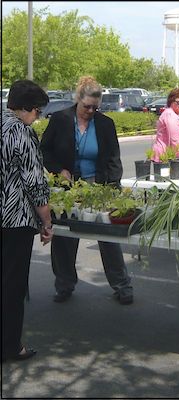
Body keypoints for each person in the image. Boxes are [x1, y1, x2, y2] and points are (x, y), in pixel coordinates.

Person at [40, 76, 133, 305]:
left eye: (95, 107)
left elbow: (113, 159)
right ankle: (64, 285)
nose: (90, 111)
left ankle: (122, 286)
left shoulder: (105, 124)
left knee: (107, 237)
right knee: (64, 238)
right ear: (77, 100)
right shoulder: (60, 120)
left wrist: (112, 189)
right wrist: (58, 169)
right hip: (67, 188)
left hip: (97, 185)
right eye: (86, 106)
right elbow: (45, 151)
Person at [1, 80, 53, 362]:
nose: (38, 118)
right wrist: (46, 221)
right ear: (29, 109)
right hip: (14, 219)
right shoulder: (21, 132)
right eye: (38, 112)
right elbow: (34, 182)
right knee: (12, 285)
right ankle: (10, 346)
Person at [151, 88, 179, 162]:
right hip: (167, 157)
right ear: (171, 101)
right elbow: (174, 140)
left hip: (168, 156)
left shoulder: (173, 114)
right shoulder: (170, 115)